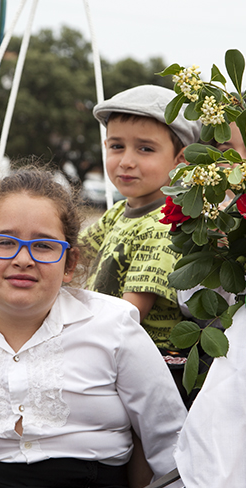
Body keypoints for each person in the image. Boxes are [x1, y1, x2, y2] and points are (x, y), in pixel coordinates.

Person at [0, 169, 187, 488]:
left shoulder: (114, 325)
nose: (23, 259)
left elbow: (169, 439)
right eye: (5, 242)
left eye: (44, 246)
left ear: (70, 262)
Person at [78, 85, 202, 392]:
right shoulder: (119, 212)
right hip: (108, 347)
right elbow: (70, 255)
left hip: (146, 365)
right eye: (117, 146)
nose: (126, 161)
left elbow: (131, 311)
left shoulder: (164, 224)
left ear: (180, 160)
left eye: (145, 149)